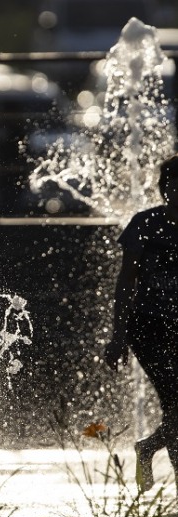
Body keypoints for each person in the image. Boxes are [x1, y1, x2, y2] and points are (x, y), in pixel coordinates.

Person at [104, 153, 178, 493]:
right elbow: (126, 283)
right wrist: (118, 336)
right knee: (174, 404)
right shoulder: (145, 224)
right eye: (174, 185)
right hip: (150, 328)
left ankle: (148, 447)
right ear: (165, 188)